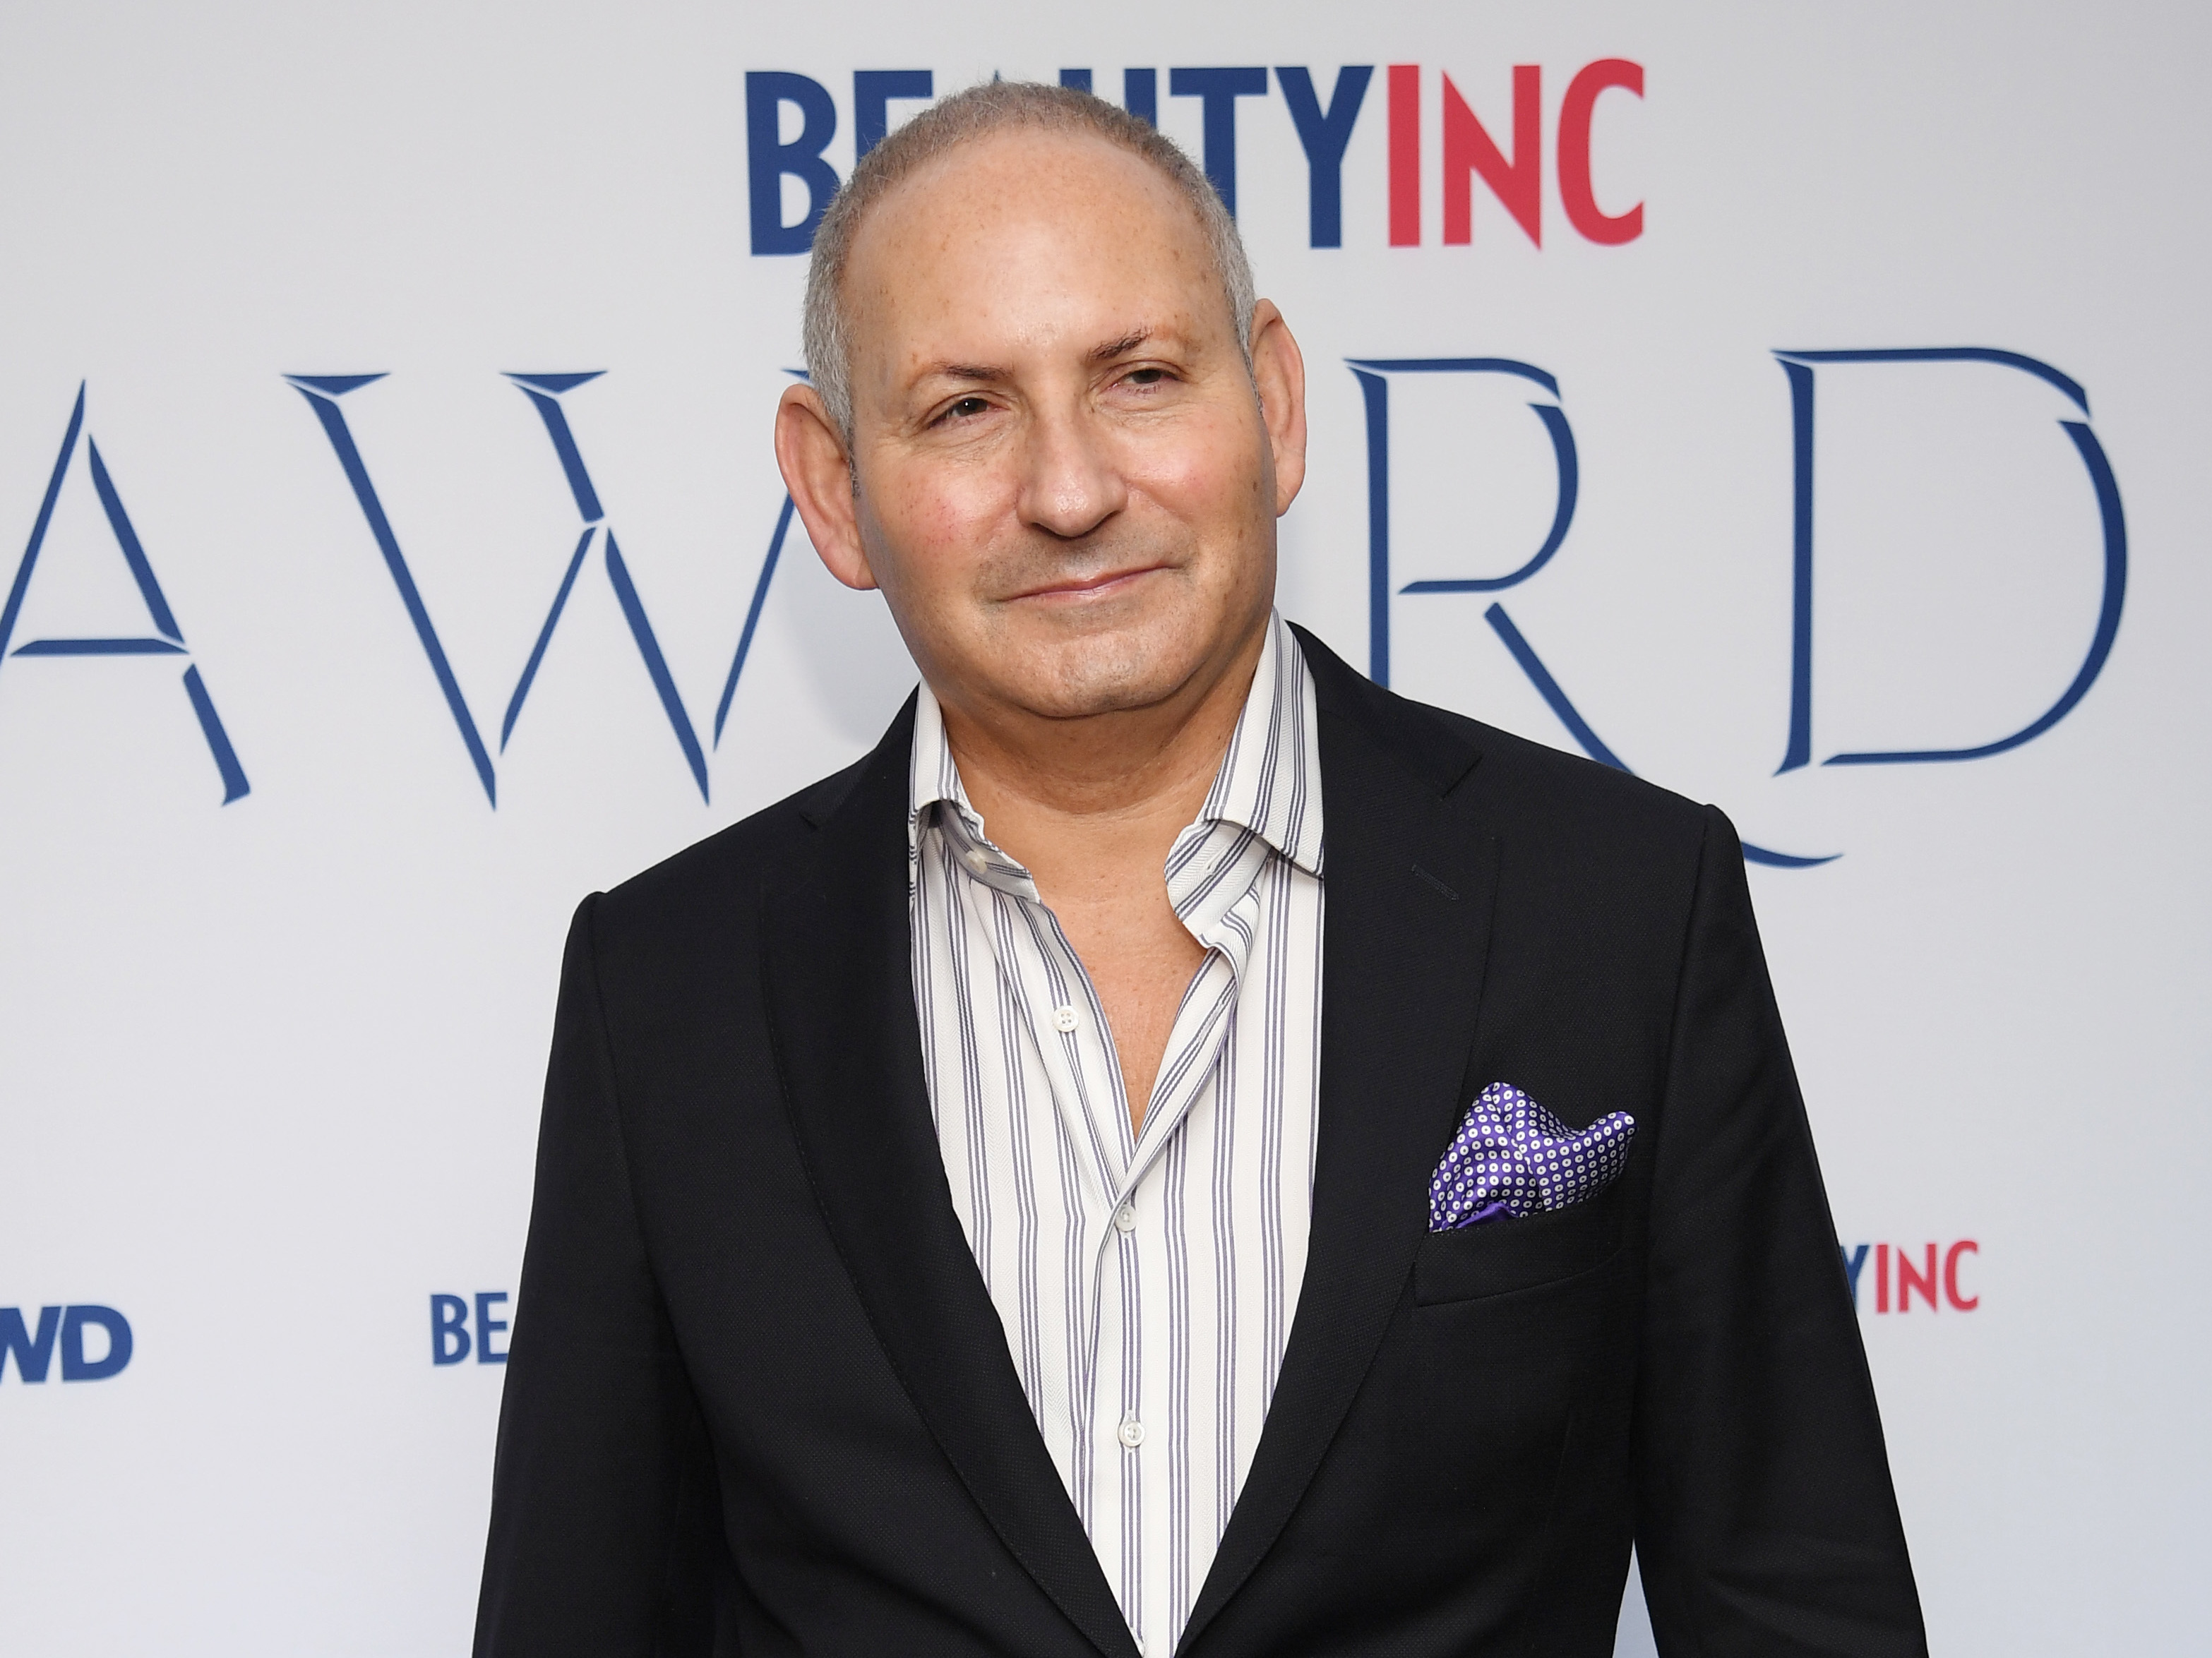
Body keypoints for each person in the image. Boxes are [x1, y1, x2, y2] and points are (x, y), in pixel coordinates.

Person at [474, 81, 1925, 1658]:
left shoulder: (1622, 907)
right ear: (834, 485)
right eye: (965, 406)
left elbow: (1801, 1598)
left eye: (1141, 377)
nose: (1073, 489)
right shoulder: (668, 985)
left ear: (1276, 401)